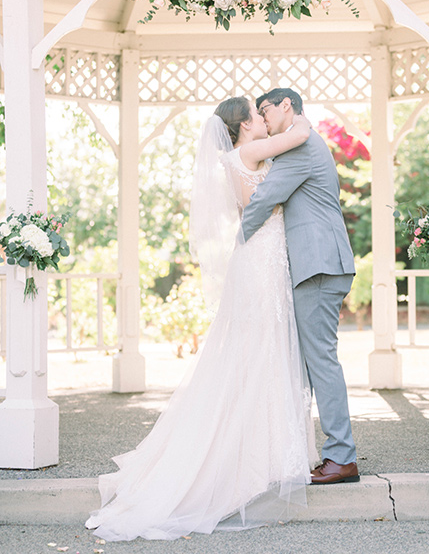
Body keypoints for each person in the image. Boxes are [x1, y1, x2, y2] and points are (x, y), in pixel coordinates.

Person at [85, 96, 318, 542]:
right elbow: (298, 141)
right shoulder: (248, 152)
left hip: (264, 257)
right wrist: (295, 112)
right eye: (258, 112)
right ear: (246, 125)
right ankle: (260, 456)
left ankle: (268, 451)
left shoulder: (237, 154)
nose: (263, 116)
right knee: (261, 350)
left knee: (263, 351)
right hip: (262, 259)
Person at [241, 88, 359, 485]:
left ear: (286, 105)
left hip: (320, 265)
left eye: (266, 110)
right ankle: (329, 452)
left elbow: (264, 198)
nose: (264, 118)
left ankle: (342, 457)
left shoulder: (300, 149)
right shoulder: (299, 140)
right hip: (318, 264)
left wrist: (236, 242)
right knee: (314, 360)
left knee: (321, 360)